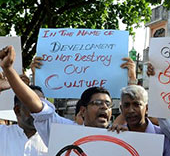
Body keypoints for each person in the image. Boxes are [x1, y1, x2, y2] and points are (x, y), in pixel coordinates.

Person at [0, 45, 136, 146]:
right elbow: (39, 108)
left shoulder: (120, 137)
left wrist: (132, 80)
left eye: (108, 104)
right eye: (98, 103)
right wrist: (9, 69)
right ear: (83, 110)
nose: (104, 108)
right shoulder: (63, 132)